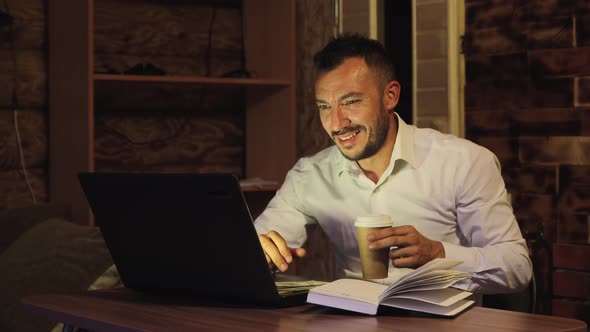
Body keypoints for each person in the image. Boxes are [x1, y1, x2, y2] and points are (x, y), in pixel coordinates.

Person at [254, 34, 532, 294]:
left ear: (391, 96)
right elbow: (253, 248)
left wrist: (439, 253)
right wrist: (259, 255)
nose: (336, 123)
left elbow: (517, 267)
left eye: (350, 102)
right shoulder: (310, 174)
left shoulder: (465, 162)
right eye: (325, 107)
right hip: (353, 323)